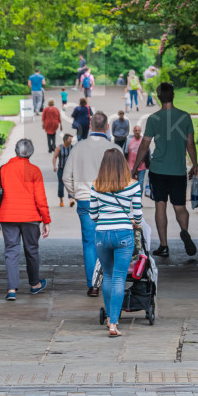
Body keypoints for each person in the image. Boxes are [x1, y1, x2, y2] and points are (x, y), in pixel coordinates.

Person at [130, 82, 198, 258]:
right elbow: (190, 143)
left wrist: (136, 166)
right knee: (180, 206)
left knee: (160, 206)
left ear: (159, 97)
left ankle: (164, 245)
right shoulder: (184, 117)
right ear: (173, 95)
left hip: (158, 170)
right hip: (178, 170)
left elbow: (144, 144)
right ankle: (184, 231)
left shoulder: (153, 119)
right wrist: (195, 164)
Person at [62, 111, 118, 297]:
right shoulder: (113, 148)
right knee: (109, 241)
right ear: (107, 127)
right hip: (109, 199)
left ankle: (93, 284)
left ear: (91, 126)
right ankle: (109, 278)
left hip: (86, 198)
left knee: (89, 242)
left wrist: (75, 194)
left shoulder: (78, 148)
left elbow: (65, 177)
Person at [89, 148, 142, 338]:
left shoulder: (96, 185)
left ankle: (110, 317)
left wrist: (105, 219)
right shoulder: (133, 185)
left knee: (108, 276)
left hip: (102, 235)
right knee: (120, 277)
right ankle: (113, 323)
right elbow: (138, 215)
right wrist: (131, 220)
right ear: (123, 164)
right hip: (124, 234)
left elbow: (93, 215)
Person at [0, 139, 51, 301]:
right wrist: (46, 221)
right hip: (30, 217)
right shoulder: (34, 171)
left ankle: (11, 289)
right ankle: (34, 284)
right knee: (32, 250)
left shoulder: (4, 170)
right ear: (30, 153)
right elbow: (40, 199)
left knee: (11, 251)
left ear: (16, 151)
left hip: (8, 216)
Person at [52, 133, 75, 209]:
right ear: (65, 140)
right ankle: (61, 200)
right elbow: (55, 157)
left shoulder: (72, 148)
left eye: (71, 139)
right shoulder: (59, 148)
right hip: (61, 169)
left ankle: (71, 200)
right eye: (70, 139)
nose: (71, 140)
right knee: (61, 185)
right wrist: (54, 166)